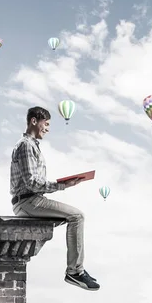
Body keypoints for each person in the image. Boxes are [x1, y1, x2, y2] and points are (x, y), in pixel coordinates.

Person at [10, 106, 99, 291]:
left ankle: (76, 269)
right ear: (34, 121)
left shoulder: (32, 146)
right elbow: (32, 183)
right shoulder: (26, 145)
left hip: (30, 200)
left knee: (70, 217)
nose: (48, 128)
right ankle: (75, 272)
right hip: (28, 201)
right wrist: (62, 185)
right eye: (46, 123)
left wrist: (65, 183)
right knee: (77, 216)